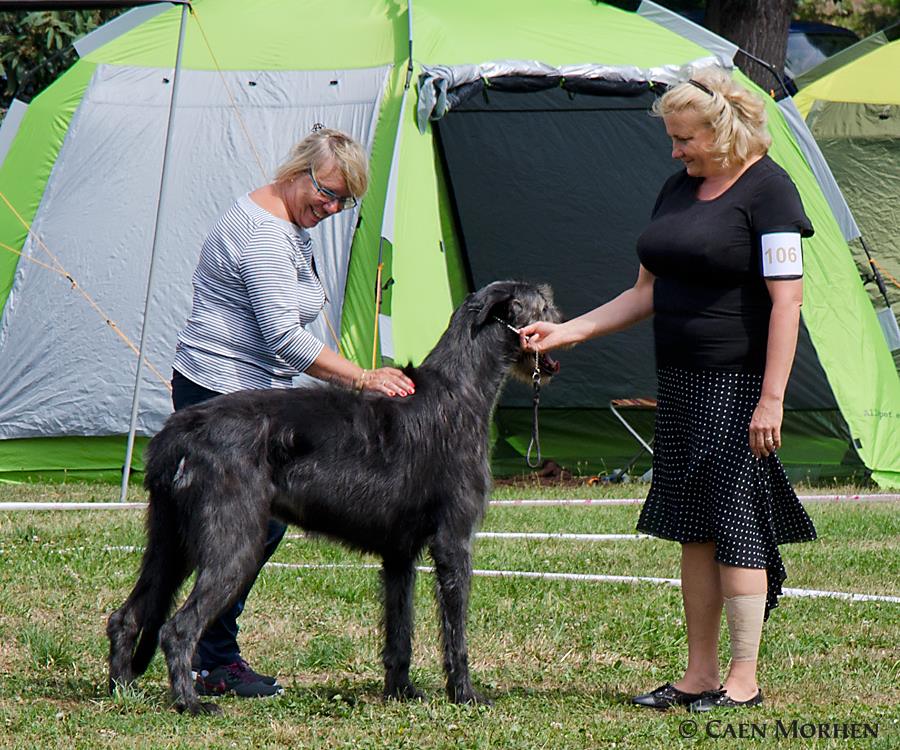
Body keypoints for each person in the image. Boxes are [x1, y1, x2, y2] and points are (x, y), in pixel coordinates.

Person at [520, 68, 817, 712]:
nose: (676, 152)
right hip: (680, 384)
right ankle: (698, 675)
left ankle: (743, 680)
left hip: (738, 386)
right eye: (673, 140)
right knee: (694, 530)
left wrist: (772, 399)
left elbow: (787, 304)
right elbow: (643, 293)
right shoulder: (676, 189)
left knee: (736, 523)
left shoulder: (771, 192)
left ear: (725, 130)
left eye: (686, 140)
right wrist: (564, 333)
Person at [172, 127, 415, 698]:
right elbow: (284, 338)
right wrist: (363, 377)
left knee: (251, 529)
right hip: (223, 400)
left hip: (255, 401)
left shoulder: (288, 226)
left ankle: (195, 646)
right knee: (246, 531)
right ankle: (208, 658)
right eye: (326, 194)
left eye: (341, 203)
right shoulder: (260, 232)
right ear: (300, 169)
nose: (329, 209)